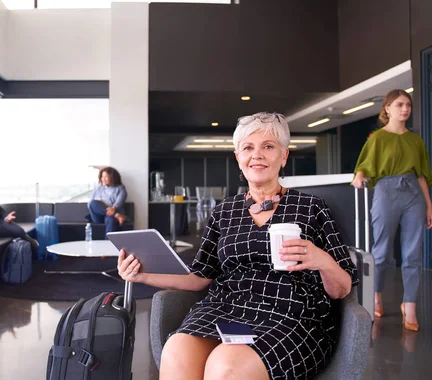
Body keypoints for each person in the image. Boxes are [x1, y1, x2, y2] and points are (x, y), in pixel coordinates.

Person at [118, 112, 356, 380]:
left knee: (225, 366)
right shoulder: (224, 211)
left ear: (284, 156)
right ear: (238, 158)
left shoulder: (312, 208)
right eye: (248, 148)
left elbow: (342, 289)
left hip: (290, 313)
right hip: (225, 307)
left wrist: (320, 259)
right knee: (176, 351)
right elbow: (199, 277)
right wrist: (141, 275)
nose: (257, 155)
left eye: (268, 147)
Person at [352, 89, 432, 332]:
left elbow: (422, 176)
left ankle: (409, 305)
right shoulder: (377, 138)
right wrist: (359, 176)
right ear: (387, 109)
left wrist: (429, 207)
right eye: (399, 104)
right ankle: (376, 294)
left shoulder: (415, 140)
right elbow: (365, 165)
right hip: (386, 192)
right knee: (382, 250)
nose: (405, 109)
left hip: (413, 194)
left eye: (408, 104)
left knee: (413, 254)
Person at [87, 167, 128, 234]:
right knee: (93, 203)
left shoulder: (120, 189)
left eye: (106, 177)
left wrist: (112, 208)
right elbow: (90, 205)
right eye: (102, 177)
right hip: (98, 216)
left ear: (112, 177)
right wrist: (102, 205)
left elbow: (118, 202)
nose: (103, 179)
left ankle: (108, 244)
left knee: (110, 220)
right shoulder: (98, 189)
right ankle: (116, 215)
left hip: (110, 216)